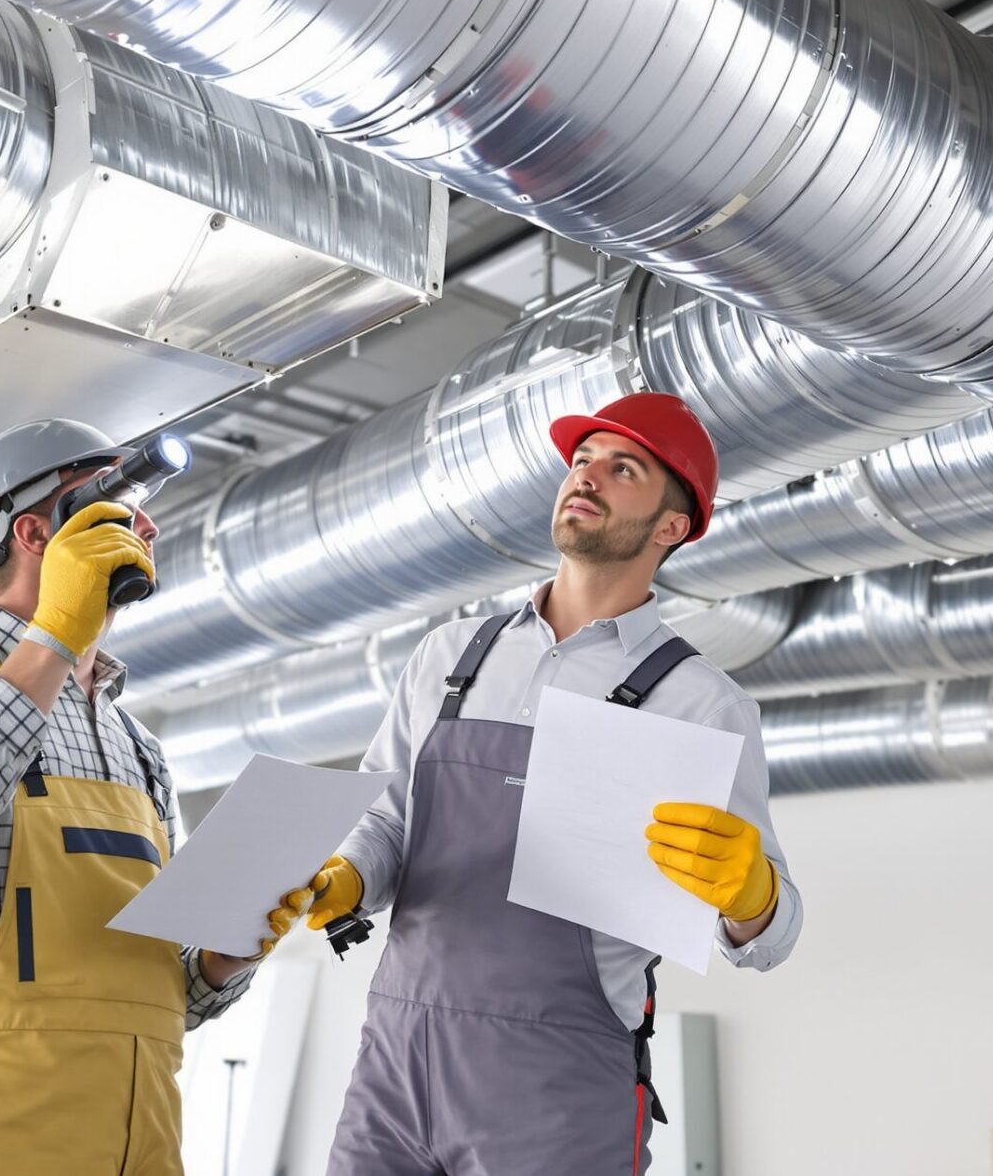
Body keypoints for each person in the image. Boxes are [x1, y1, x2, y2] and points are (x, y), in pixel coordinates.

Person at [303, 392, 802, 1175]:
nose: (587, 477)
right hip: (395, 1066)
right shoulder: (449, 655)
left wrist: (752, 898)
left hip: (557, 1084)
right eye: (581, 460)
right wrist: (348, 875)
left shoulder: (701, 703)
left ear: (672, 525)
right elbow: (386, 821)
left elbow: (769, 941)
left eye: (622, 467)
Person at [0, 418, 295, 1174]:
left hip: (140, 1137)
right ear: (35, 531)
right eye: (116, 503)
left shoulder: (136, 742)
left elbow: (169, 1000)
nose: (145, 523)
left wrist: (219, 960)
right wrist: (48, 641)